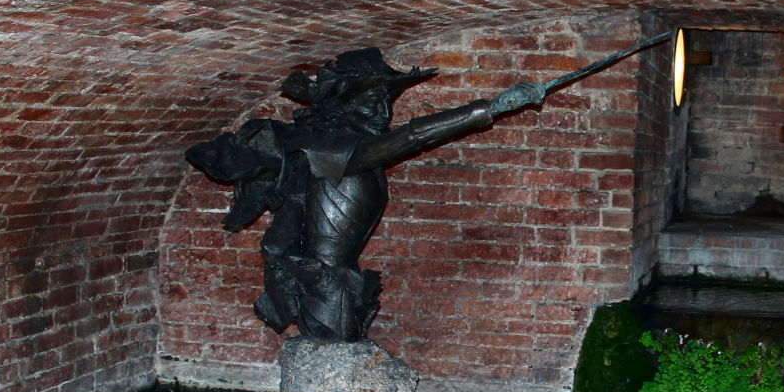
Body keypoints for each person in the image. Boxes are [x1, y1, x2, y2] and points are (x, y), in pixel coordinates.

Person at [186, 48, 544, 341]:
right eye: (372, 102)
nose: (383, 111)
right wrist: (493, 107)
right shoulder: (334, 152)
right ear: (343, 106)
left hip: (339, 286)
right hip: (328, 290)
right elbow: (409, 138)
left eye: (386, 102)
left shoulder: (334, 152)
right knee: (339, 346)